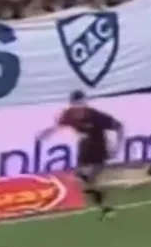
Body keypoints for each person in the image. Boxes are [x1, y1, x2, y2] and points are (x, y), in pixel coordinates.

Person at [37, 90, 123, 219]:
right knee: (81, 175)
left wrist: (117, 147)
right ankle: (99, 200)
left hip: (100, 148)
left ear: (85, 104)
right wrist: (46, 133)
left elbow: (119, 127)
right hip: (84, 147)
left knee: (91, 179)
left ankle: (105, 207)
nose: (78, 109)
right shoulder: (68, 114)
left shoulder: (96, 116)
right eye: (75, 105)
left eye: (80, 105)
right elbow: (58, 126)